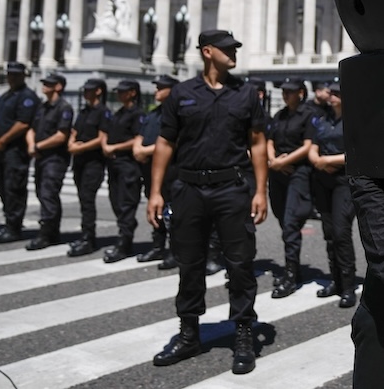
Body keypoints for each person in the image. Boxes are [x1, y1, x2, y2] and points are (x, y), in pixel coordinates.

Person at [146, 29, 268, 375]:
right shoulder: (182, 94)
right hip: (188, 189)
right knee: (190, 263)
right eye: (228, 49)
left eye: (235, 49)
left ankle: (243, 332)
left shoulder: (245, 94)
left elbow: (258, 142)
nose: (234, 54)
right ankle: (189, 333)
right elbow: (165, 143)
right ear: (207, 51)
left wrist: (261, 190)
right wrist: (156, 191)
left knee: (241, 263)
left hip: (231, 188)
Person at [306, 81, 356, 307]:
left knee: (341, 232)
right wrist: (317, 159)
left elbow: (358, 154)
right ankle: (335, 280)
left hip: (343, 182)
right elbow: (314, 146)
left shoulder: (354, 120)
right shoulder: (322, 119)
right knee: (328, 233)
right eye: (331, 92)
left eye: (337, 92)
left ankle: (348, 285)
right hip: (322, 180)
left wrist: (328, 160)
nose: (333, 96)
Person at [266, 77, 314, 298]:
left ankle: (291, 275)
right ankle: (292, 269)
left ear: (301, 93)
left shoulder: (308, 115)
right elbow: (269, 141)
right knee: (281, 217)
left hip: (297, 173)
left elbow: (308, 146)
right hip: (278, 174)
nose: (286, 94)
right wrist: (274, 160)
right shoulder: (279, 115)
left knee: (291, 222)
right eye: (284, 91)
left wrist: (284, 162)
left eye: (290, 91)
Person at [0, 62, 38, 244]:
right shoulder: (6, 96)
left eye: (16, 75)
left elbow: (23, 123)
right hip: (1, 150)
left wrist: (3, 139)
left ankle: (14, 227)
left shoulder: (27, 97)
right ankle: (9, 223)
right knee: (2, 188)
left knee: (14, 188)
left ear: (23, 76)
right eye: (10, 75)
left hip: (15, 150)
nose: (12, 78)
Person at [134, 74, 179, 268]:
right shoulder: (152, 114)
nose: (156, 91)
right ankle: (158, 245)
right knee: (155, 208)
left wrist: (145, 150)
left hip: (171, 169)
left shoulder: (176, 114)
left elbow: (172, 142)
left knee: (173, 211)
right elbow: (140, 134)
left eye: (161, 87)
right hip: (150, 169)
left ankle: (174, 250)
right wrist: (138, 148)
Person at [25, 73, 73, 250]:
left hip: (55, 158)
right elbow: (31, 128)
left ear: (58, 87)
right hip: (41, 157)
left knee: (48, 194)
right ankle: (52, 231)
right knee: (42, 192)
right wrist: (32, 145)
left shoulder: (64, 108)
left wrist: (38, 146)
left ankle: (47, 233)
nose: (44, 86)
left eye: (49, 84)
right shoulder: (42, 107)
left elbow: (61, 136)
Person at [99, 79, 144, 263]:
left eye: (123, 91)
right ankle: (125, 231)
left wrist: (115, 147)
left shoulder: (137, 114)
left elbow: (137, 139)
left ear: (133, 92)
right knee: (116, 202)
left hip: (128, 165)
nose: (119, 94)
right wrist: (106, 145)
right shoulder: (119, 113)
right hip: (114, 165)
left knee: (126, 204)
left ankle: (124, 243)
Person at [67, 78, 109, 257]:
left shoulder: (103, 112)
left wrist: (79, 147)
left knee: (87, 199)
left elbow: (102, 138)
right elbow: (74, 132)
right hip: (79, 162)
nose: (85, 93)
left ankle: (88, 239)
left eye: (89, 90)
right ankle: (85, 235)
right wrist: (71, 144)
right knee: (83, 200)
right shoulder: (84, 112)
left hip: (94, 163)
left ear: (98, 91)